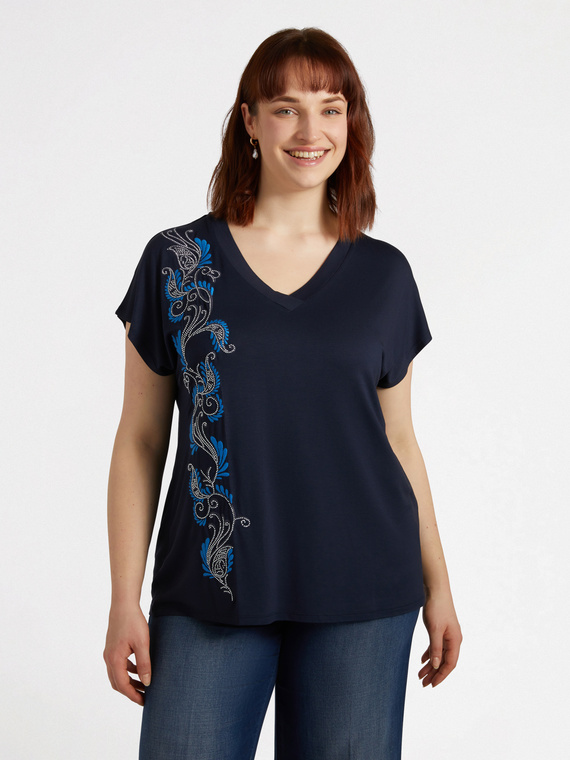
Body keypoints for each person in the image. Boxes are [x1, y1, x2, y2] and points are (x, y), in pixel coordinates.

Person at [103, 26, 462, 760]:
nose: (310, 131)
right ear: (250, 121)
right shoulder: (177, 261)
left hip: (366, 589)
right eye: (287, 108)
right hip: (211, 589)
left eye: (331, 109)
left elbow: (399, 440)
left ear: (351, 123)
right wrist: (122, 598)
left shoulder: (384, 275)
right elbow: (140, 440)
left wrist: (440, 584)